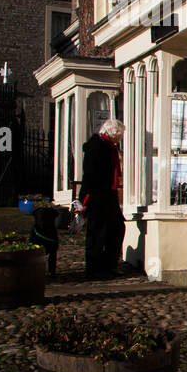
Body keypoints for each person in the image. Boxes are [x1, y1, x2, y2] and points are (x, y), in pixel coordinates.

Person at [80, 119, 125, 280]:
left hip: (109, 194)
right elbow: (89, 176)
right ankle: (94, 269)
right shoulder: (98, 147)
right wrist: (83, 200)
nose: (119, 139)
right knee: (97, 233)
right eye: (119, 135)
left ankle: (109, 265)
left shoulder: (109, 147)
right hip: (98, 196)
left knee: (116, 229)